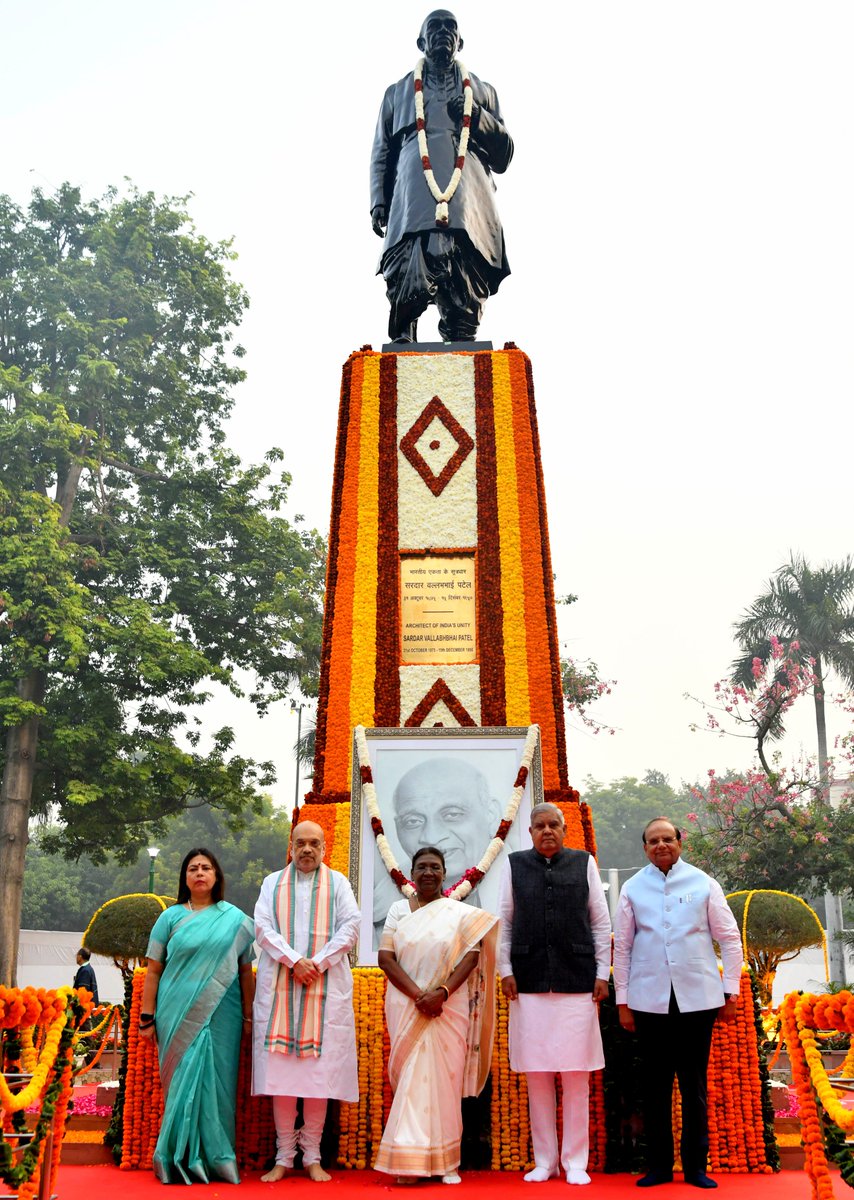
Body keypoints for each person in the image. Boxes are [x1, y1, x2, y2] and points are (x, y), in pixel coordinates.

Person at [613, 818, 744, 1190]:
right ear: (644, 848)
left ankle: (695, 1167)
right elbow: (622, 947)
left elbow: (730, 940)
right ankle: (658, 1167)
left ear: (680, 842)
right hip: (649, 1001)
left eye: (667, 839)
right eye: (653, 841)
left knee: (693, 1087)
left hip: (698, 1001)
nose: (661, 846)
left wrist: (729, 992)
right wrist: (623, 1001)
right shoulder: (633, 888)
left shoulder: (703, 883)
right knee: (655, 1088)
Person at [370, 10, 513, 343]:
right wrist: (379, 201)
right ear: (421, 41)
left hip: (469, 200)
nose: (444, 32)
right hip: (412, 199)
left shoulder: (483, 92)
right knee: (408, 268)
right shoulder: (397, 93)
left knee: (464, 280)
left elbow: (505, 154)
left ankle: (462, 338)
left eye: (451, 27)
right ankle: (403, 337)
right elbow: (381, 152)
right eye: (435, 27)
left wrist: (474, 113)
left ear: (460, 42)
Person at [499, 802, 611, 1186]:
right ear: (529, 832)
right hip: (529, 983)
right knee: (538, 1076)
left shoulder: (584, 864)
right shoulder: (514, 865)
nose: (547, 831)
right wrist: (506, 971)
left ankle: (575, 1161)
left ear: (565, 830)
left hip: (577, 982)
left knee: (576, 1076)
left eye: (554, 825)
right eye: (539, 826)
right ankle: (545, 1160)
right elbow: (505, 923)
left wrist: (602, 973)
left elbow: (600, 922)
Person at [375, 846, 499, 1184]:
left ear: (445, 874)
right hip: (407, 1003)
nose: (428, 872)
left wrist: (441, 994)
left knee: (444, 1083)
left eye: (435, 867)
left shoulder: (459, 912)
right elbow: (387, 959)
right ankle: (408, 1162)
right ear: (412, 874)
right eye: (421, 867)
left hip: (449, 1006)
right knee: (412, 1080)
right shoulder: (399, 910)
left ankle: (446, 1162)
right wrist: (419, 996)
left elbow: (471, 959)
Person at [252, 820, 360, 1183]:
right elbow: (263, 928)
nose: (307, 849)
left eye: (314, 843)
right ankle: (284, 1155)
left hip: (324, 988)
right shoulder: (272, 883)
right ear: (291, 846)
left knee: (318, 1077)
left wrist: (318, 962)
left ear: (325, 847)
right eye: (301, 843)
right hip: (282, 986)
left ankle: (312, 1155)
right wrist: (294, 961)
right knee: (282, 1075)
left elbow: (351, 927)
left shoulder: (339, 883)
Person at [139, 848, 255, 1185]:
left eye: (206, 868)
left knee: (220, 1084)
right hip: (175, 1011)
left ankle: (219, 1158)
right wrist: (147, 1016)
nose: (200, 873)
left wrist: (249, 1015)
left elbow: (245, 972)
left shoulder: (235, 919)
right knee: (180, 1083)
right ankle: (173, 1157)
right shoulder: (170, 917)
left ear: (217, 876)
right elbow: (153, 971)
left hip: (224, 1012)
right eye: (193, 868)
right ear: (184, 877)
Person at [372, 756, 502, 947]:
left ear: (491, 815)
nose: (431, 837)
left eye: (452, 814)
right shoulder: (380, 912)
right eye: (413, 821)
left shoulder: (517, 885)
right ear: (398, 826)